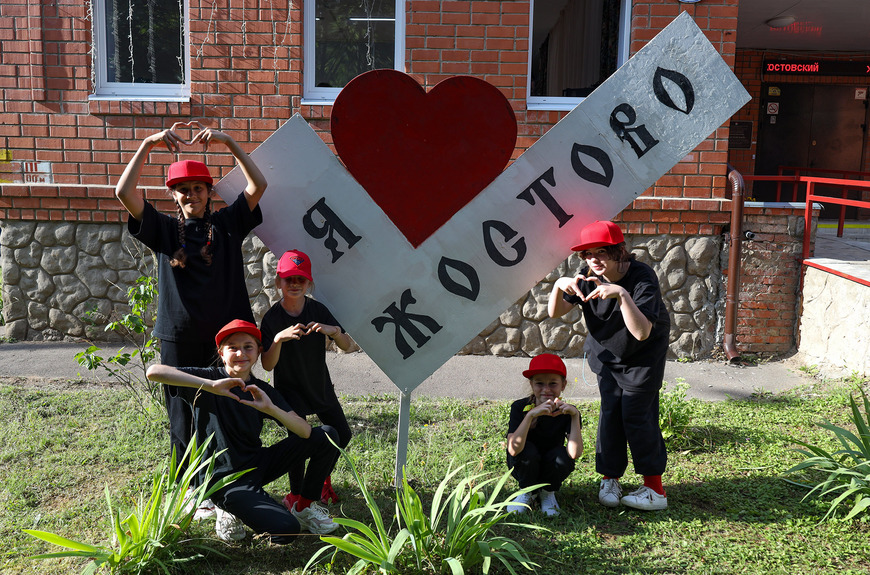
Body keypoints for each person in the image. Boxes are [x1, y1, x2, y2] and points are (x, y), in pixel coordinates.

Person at [115, 121, 268, 468]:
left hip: (225, 339)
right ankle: (186, 485)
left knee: (228, 406)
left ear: (209, 192)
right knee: (181, 414)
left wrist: (229, 142)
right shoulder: (164, 229)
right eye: (183, 189)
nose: (191, 195)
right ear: (173, 194)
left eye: (198, 188)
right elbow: (124, 193)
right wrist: (148, 143)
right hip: (178, 336)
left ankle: (228, 477)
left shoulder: (227, 224)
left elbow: (258, 185)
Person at [146, 319, 340, 543]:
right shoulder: (208, 379)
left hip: (255, 464)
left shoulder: (261, 390)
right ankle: (226, 507)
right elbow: (154, 372)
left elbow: (305, 432)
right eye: (233, 348)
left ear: (258, 352)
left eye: (248, 347)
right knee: (287, 529)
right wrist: (210, 386)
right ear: (221, 353)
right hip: (222, 478)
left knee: (327, 434)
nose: (241, 353)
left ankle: (304, 506)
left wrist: (270, 408)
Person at [548, 220, 670, 511]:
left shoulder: (641, 277)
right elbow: (556, 312)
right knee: (611, 413)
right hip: (607, 356)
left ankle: (655, 490)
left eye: (601, 252)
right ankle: (610, 478)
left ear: (619, 251)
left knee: (638, 417)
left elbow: (642, 332)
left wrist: (621, 295)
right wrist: (557, 285)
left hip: (642, 357)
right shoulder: (586, 276)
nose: (594, 259)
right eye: (588, 253)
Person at [260, 249, 354, 509]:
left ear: (309, 283)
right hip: (290, 391)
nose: (294, 284)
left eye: (300, 279)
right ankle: (295, 494)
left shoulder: (317, 310)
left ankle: (320, 478)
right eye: (288, 279)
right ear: (278, 282)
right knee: (299, 442)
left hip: (319, 385)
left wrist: (333, 331)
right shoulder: (272, 318)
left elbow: (348, 346)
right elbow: (267, 364)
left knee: (342, 434)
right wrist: (278, 339)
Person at [506, 354, 583, 517]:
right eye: (539, 383)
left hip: (551, 465)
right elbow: (513, 450)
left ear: (563, 385)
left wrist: (575, 416)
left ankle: (547, 492)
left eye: (553, 383)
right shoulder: (520, 407)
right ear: (531, 384)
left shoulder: (567, 412)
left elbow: (575, 453)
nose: (546, 390)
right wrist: (530, 416)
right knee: (528, 451)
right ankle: (527, 491)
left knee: (563, 455)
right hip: (525, 464)